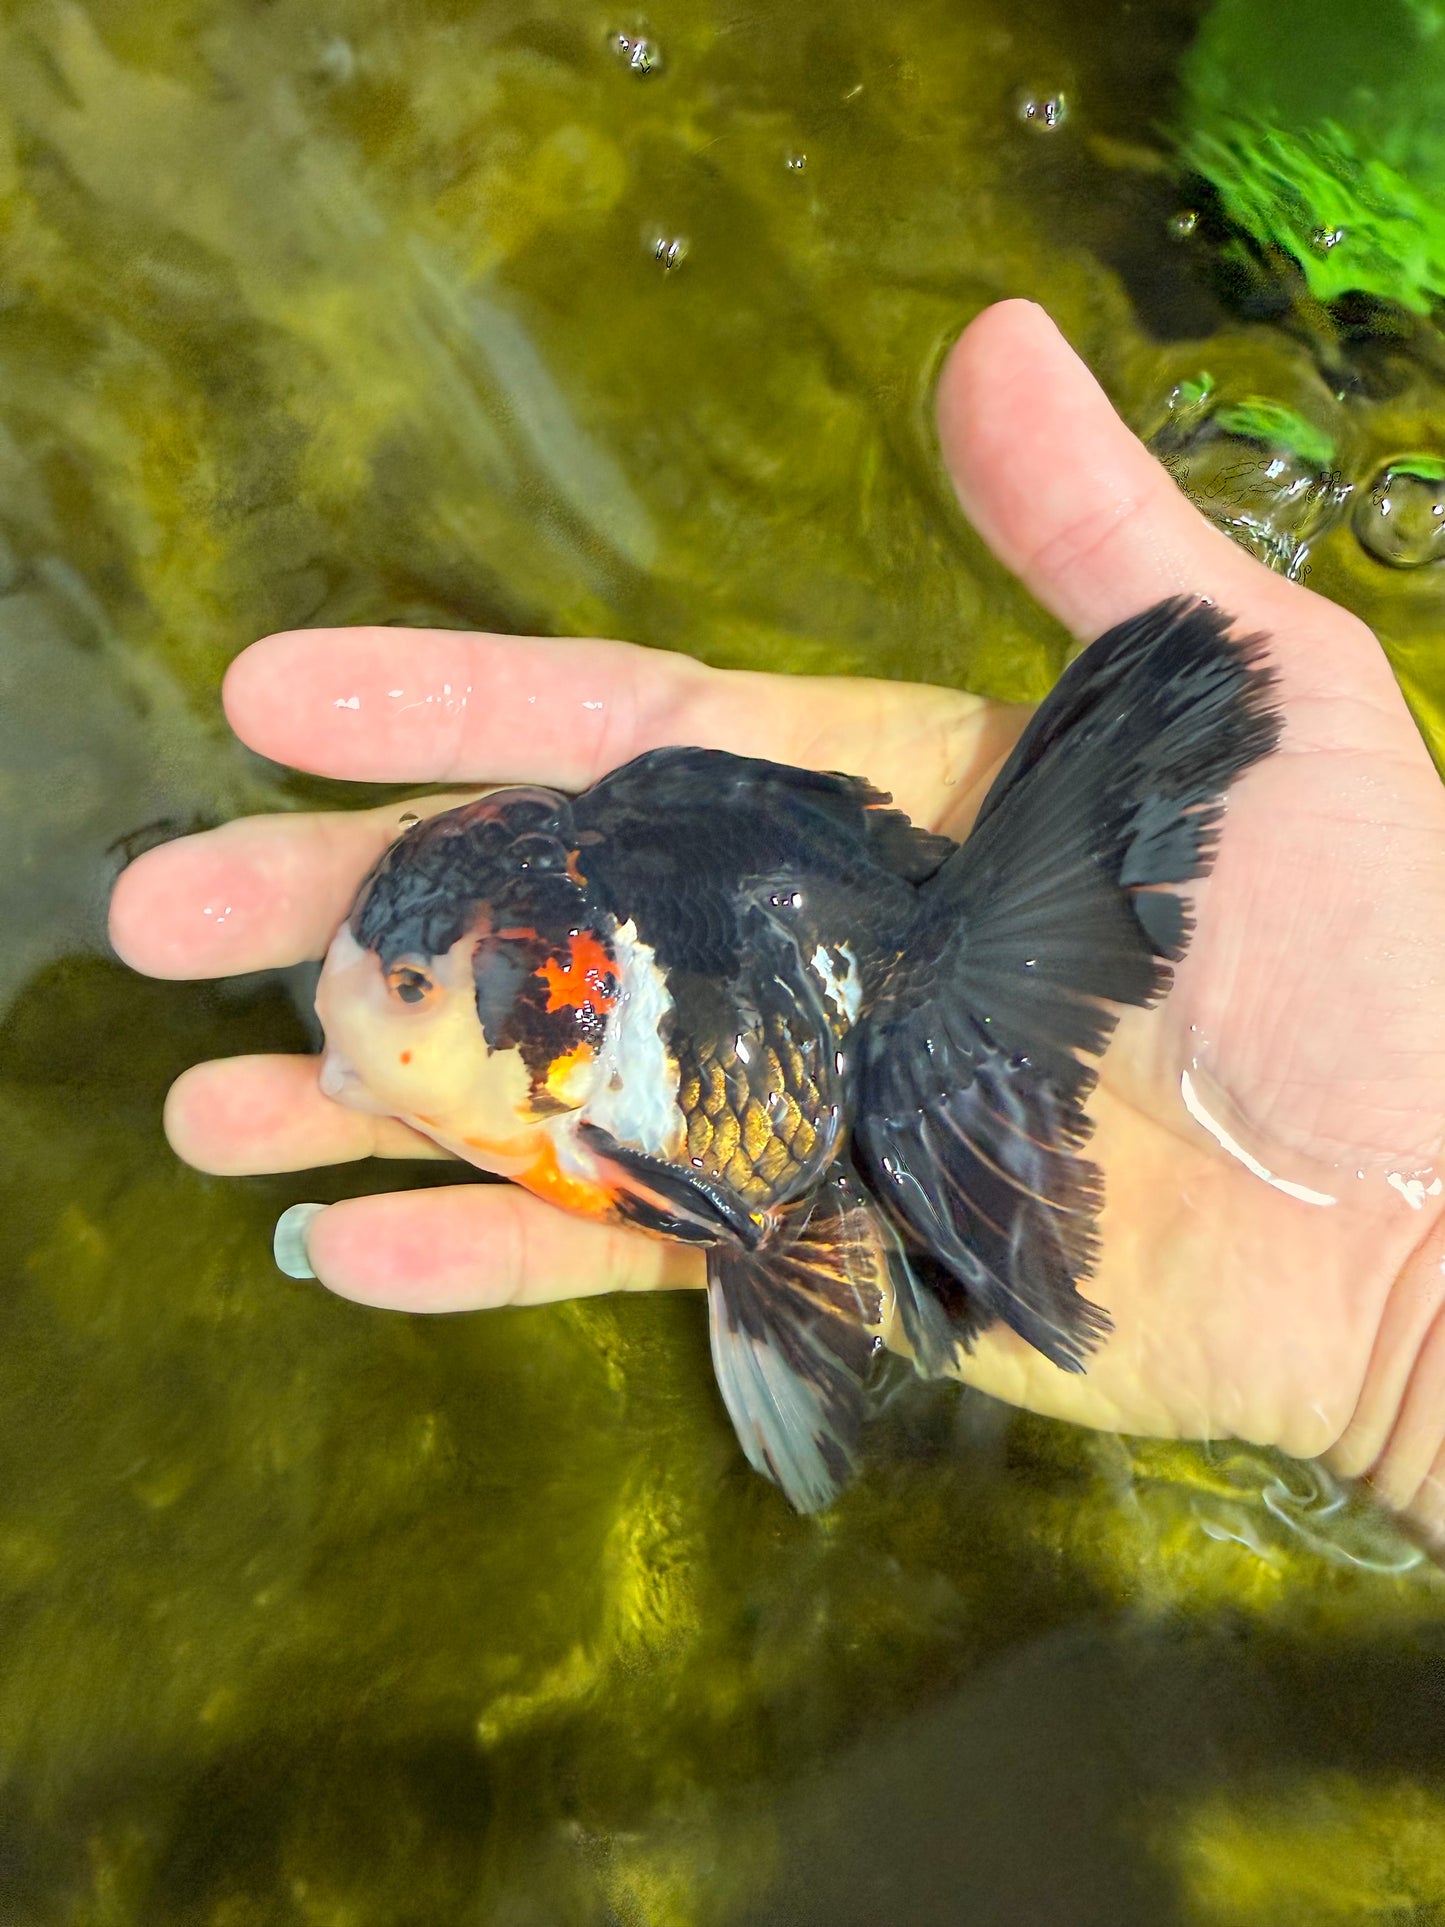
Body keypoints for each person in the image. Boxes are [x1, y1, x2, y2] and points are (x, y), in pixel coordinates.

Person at [108, 299, 1445, 1547]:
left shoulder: (594, 1087)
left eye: (410, 988)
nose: (367, 1009)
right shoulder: (561, 1050)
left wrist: (1408, 1324)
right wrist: (1400, 1333)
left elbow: (736, 1204)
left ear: (552, 996)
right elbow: (757, 1210)